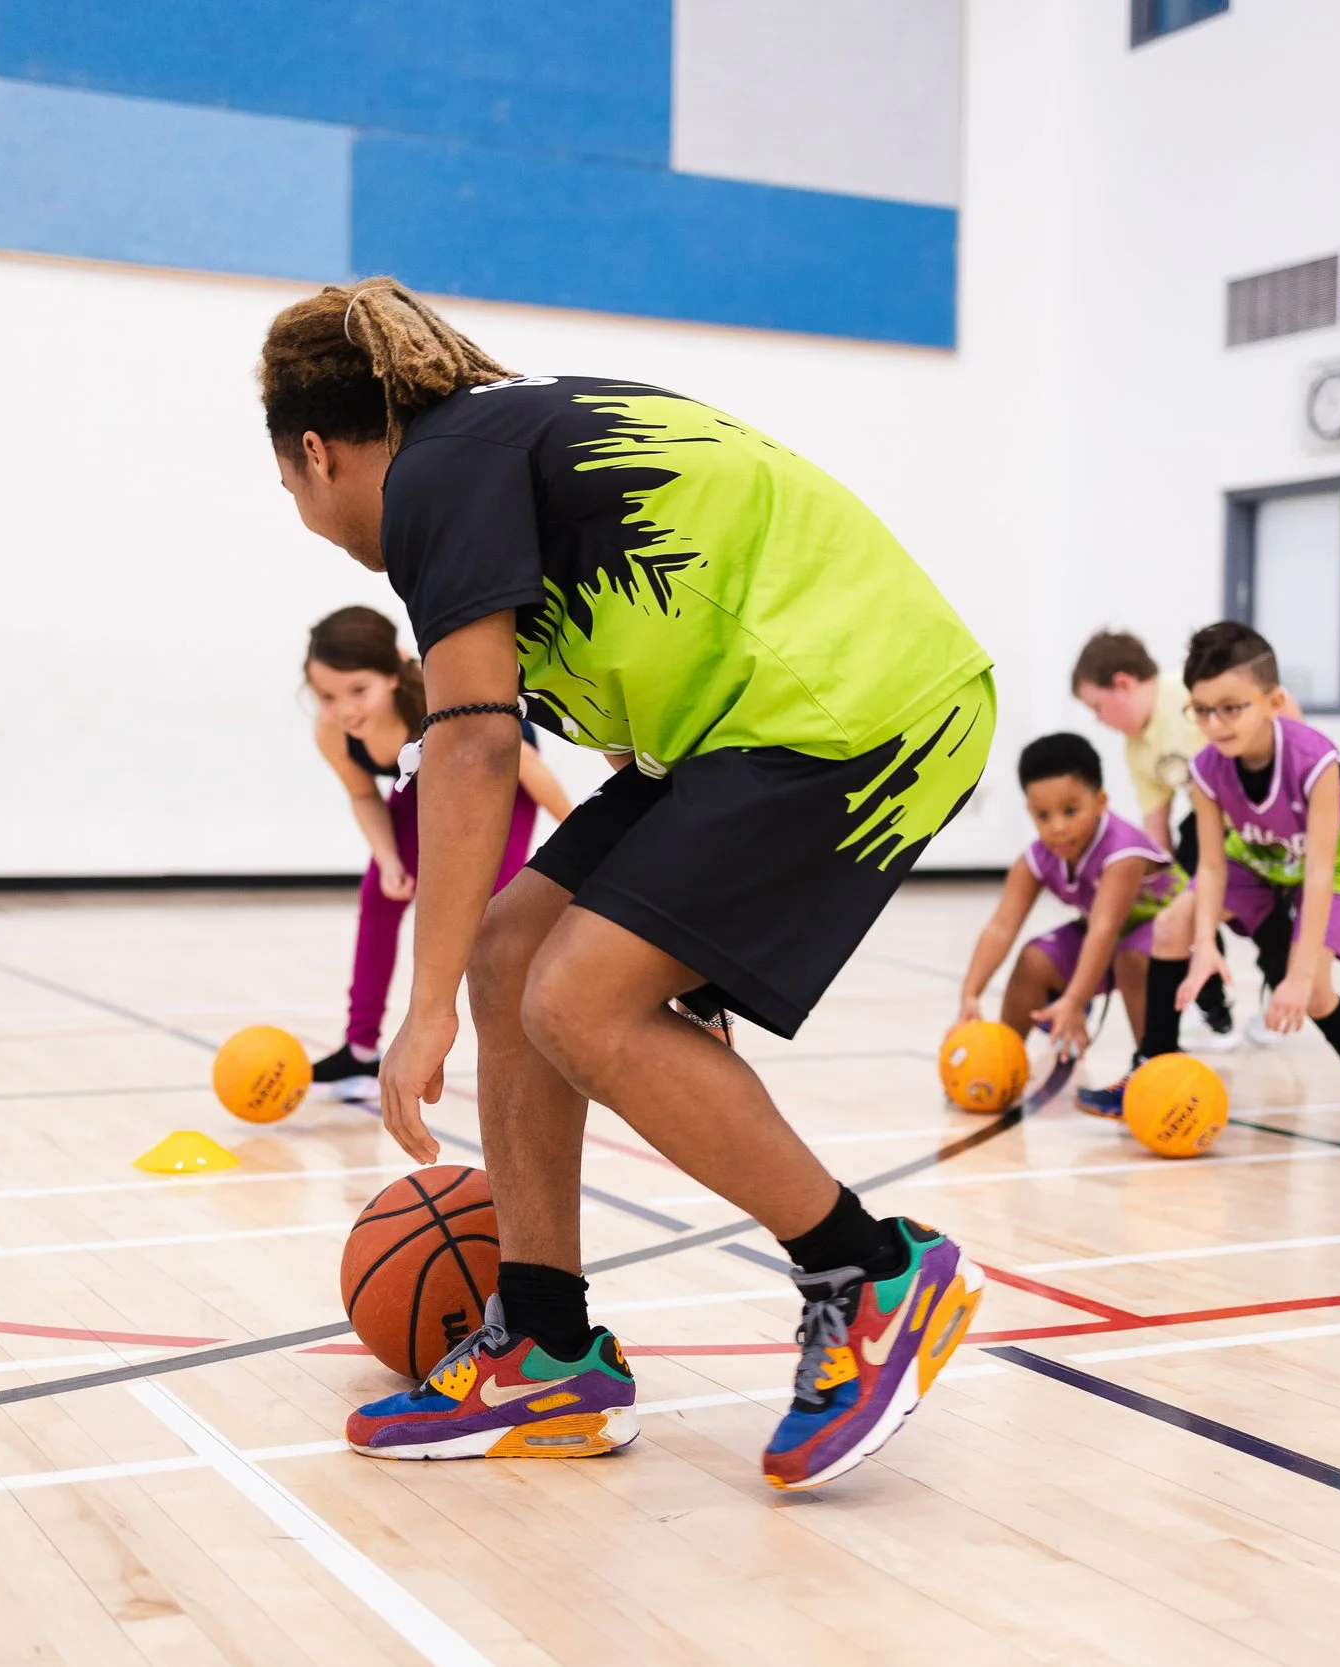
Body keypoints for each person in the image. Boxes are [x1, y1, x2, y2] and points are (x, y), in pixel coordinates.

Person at [260, 277, 994, 1490]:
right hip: (742, 722)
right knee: (517, 956)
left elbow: (476, 743)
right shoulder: (488, 449)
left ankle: (870, 1273)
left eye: (285, 480)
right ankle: (547, 1344)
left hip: (845, 704)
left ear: (318, 451)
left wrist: (423, 1003)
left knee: (574, 998)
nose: (294, 500)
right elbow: (633, 650)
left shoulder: (437, 479)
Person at [1075, 622, 1340, 1153]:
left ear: (1273, 701)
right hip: (1254, 858)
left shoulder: (1315, 761)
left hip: (1331, 864)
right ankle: (1151, 1068)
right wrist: (1206, 944)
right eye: (1202, 710)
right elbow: (1210, 868)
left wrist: (1300, 976)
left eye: (1231, 707)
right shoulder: (1208, 768)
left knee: (1315, 990)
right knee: (1171, 924)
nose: (1215, 723)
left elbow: (1320, 870)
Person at [303, 605, 571, 1093]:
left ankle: (532, 1050)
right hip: (426, 780)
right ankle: (360, 1050)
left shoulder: (435, 703)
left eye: (358, 690)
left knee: (491, 920)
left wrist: (582, 835)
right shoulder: (332, 732)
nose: (345, 709)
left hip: (499, 773)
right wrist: (387, 860)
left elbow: (527, 767)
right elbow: (364, 794)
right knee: (380, 895)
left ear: (394, 669)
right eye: (326, 695)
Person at [956, 733, 1181, 1064]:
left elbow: (1104, 929)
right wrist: (970, 994)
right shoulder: (1034, 859)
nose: (1058, 827)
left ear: (1101, 801)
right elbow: (1001, 927)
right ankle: (1003, 1061)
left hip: (1175, 946)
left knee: (1131, 958)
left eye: (1070, 810)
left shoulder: (1124, 851)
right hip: (1110, 943)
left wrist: (1076, 999)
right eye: (1043, 816)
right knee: (1034, 960)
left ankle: (1153, 1065)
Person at [1070, 630, 1243, 1049]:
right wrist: (1161, 883)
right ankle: (1214, 1010)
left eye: (1097, 706)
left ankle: (1280, 991)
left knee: (1253, 919)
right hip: (1205, 827)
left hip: (1248, 821)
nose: (1099, 719)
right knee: (1185, 902)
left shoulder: (1187, 697)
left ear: (1124, 685)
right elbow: (1157, 822)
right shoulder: (1136, 748)